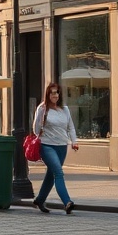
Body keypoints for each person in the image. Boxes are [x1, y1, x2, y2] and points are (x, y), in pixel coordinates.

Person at [32, 82, 79, 214]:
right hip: (47, 146)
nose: (55, 95)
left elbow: (71, 127)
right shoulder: (42, 109)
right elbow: (35, 130)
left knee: (51, 175)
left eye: (57, 92)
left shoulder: (64, 109)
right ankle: (67, 202)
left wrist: (74, 141)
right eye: (52, 92)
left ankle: (40, 200)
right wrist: (41, 118)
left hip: (62, 146)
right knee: (58, 172)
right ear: (48, 94)